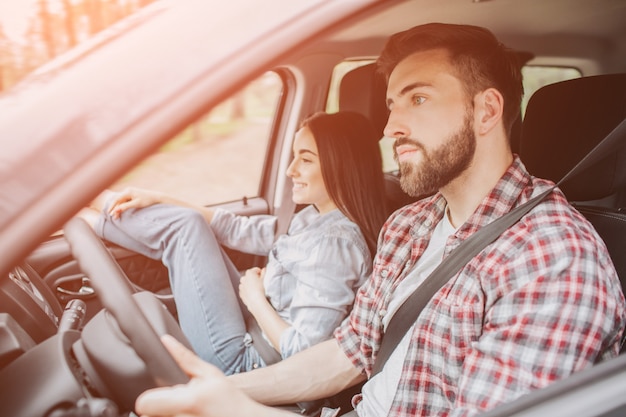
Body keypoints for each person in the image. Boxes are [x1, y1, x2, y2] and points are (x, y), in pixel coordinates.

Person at [134, 23, 626, 417]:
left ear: (486, 110)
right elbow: (349, 352)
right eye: (392, 104)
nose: (390, 127)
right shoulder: (409, 224)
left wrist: (234, 410)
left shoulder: (554, 260)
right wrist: (222, 388)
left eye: (418, 98)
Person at [91, 111, 391, 374]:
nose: (290, 170)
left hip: (245, 362)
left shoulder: (335, 246)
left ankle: (89, 204)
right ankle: (93, 213)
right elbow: (234, 228)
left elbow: (303, 352)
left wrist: (255, 298)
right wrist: (159, 196)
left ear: (341, 165)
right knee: (191, 226)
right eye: (294, 156)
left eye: (306, 159)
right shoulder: (313, 218)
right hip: (251, 329)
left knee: (185, 228)